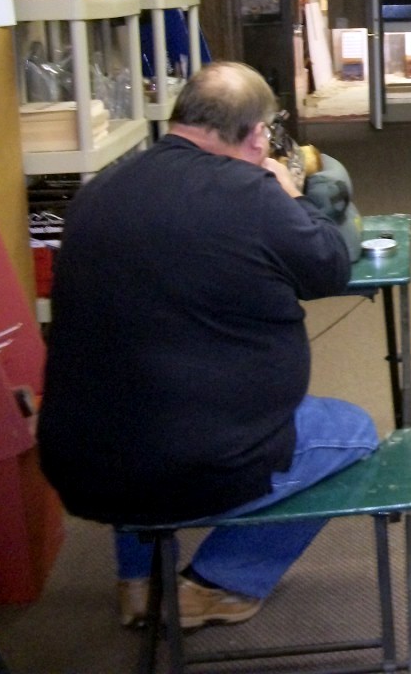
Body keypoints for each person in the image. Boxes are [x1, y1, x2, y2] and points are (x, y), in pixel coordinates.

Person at [37, 62, 379, 628]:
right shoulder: (255, 194)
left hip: (78, 460)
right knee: (354, 432)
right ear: (257, 135)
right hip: (198, 464)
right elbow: (329, 268)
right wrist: (291, 193)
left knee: (134, 396)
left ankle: (140, 582)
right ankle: (216, 584)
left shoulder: (97, 193)